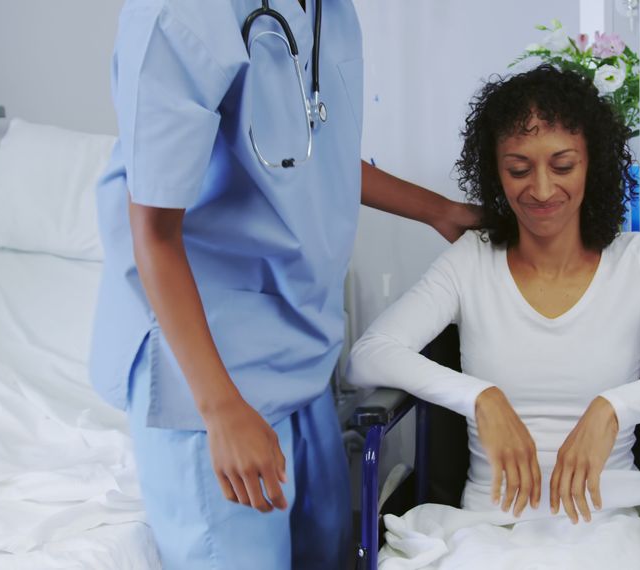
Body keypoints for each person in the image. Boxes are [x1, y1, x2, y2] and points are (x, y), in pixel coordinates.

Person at [88, 0, 478, 568]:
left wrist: (440, 211)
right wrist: (220, 412)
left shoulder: (329, 13)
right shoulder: (180, 15)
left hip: (298, 345)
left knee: (324, 548)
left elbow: (314, 152)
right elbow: (153, 231)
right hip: (207, 356)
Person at [348, 65, 640, 567]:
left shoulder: (634, 264)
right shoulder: (471, 261)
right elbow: (368, 356)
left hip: (610, 523)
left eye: (563, 166)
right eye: (519, 169)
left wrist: (613, 409)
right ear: (494, 171)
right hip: (488, 530)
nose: (542, 190)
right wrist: (480, 398)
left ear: (594, 165)